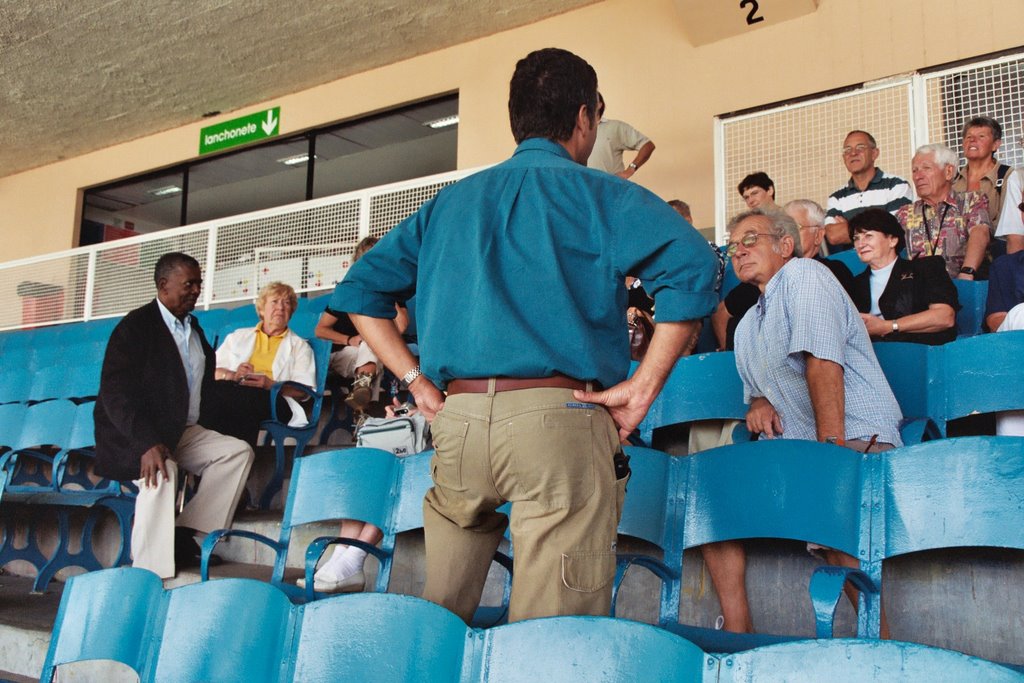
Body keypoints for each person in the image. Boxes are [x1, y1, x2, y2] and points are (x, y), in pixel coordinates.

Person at [328, 47, 718, 623]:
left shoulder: (449, 202)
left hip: (456, 424)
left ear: (517, 120)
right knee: (550, 634)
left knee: (443, 615)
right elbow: (694, 266)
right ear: (585, 118)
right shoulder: (602, 193)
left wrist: (415, 382)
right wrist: (643, 387)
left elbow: (361, 290)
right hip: (560, 418)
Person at [709, 209, 902, 635]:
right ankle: (737, 630)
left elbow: (822, 362)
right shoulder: (744, 327)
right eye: (732, 245)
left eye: (750, 239)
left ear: (785, 245)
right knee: (710, 494)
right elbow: (756, 387)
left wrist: (828, 454)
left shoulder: (805, 276)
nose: (738, 251)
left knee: (837, 538)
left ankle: (884, 643)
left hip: (852, 436)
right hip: (799, 452)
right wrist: (758, 400)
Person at [93, 252, 254, 579]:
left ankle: (184, 534)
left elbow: (203, 389)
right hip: (136, 435)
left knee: (236, 453)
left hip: (181, 430)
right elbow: (115, 392)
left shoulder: (193, 329)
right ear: (163, 285)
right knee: (161, 472)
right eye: (189, 284)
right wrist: (145, 442)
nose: (196, 290)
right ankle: (151, 574)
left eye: (199, 283)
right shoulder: (135, 327)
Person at [711, 200, 854, 351]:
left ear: (818, 235)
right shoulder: (757, 286)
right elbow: (722, 313)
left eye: (794, 227)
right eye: (780, 227)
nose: (785, 232)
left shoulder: (826, 273)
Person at [205, 281, 315, 445]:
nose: (281, 308)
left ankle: (238, 454)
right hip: (236, 392)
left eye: (286, 303)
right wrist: (233, 375)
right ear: (262, 309)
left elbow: (303, 392)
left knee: (237, 399)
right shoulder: (237, 337)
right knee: (213, 394)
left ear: (291, 312)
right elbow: (211, 372)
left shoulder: (300, 346)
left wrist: (270, 384)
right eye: (275, 302)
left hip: (276, 401)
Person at [315, 236, 408, 414]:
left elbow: (402, 326)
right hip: (343, 354)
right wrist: (349, 339)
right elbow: (320, 330)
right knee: (375, 346)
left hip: (371, 354)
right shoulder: (348, 292)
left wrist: (387, 292)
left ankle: (361, 400)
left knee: (374, 345)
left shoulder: (390, 292)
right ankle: (362, 410)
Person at [848, 209, 958, 345]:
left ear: (892, 240)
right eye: (856, 239)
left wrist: (888, 326)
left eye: (868, 236)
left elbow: (944, 317)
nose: (860, 244)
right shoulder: (854, 284)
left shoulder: (925, 268)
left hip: (918, 352)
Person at [895, 143, 992, 280]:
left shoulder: (971, 201)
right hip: (917, 291)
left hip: (962, 285)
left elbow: (980, 233)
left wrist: (967, 271)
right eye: (914, 170)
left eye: (926, 168)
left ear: (948, 172)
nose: (918, 176)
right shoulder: (905, 213)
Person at [823, 130, 913, 253]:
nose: (853, 153)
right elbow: (833, 236)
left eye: (860, 148)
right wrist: (875, 226)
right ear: (844, 158)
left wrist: (849, 226)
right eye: (847, 150)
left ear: (874, 153)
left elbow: (894, 229)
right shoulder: (836, 197)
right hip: (851, 266)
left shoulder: (896, 185)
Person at [953, 117, 1022, 233]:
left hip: (996, 248)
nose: (973, 140)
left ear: (995, 144)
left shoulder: (1007, 176)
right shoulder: (952, 181)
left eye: (981, 136)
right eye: (969, 137)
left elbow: (1012, 227)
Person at [586, 92, 655, 179]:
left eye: (590, 100)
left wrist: (631, 169)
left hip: (611, 189)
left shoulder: (615, 127)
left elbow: (648, 145)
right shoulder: (577, 131)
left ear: (600, 104)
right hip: (582, 190)